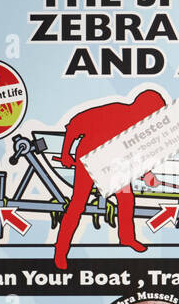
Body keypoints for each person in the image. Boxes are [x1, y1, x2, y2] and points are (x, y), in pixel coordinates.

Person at [54, 89, 166, 270]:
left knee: (126, 198)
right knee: (77, 205)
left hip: (114, 168)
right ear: (142, 108)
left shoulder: (140, 129)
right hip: (88, 162)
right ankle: (60, 251)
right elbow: (74, 126)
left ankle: (127, 238)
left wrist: (147, 173)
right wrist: (65, 153)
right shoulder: (114, 112)